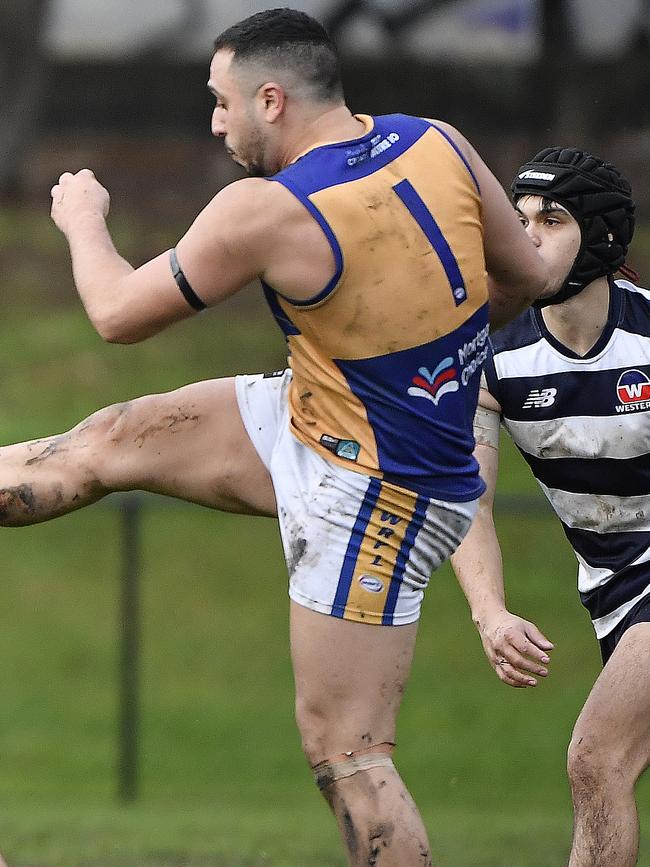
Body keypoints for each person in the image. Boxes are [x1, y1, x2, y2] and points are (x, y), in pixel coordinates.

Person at [2, 9, 548, 866]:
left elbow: (114, 313)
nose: (215, 123)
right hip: (319, 417)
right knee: (111, 437)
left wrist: (82, 218)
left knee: (348, 751)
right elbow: (524, 278)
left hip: (380, 487)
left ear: (271, 98)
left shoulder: (264, 210)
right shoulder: (438, 141)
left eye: (222, 104)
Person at [450, 146, 646, 867]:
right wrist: (490, 609)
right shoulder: (491, 357)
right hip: (614, 596)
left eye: (551, 218)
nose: (525, 233)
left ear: (601, 238)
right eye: (518, 216)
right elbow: (466, 493)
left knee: (596, 758)